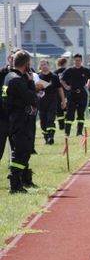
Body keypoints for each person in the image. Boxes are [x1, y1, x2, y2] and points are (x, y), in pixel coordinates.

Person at [2, 50, 44, 193]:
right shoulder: (18, 80)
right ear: (26, 64)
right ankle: (15, 185)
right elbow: (32, 98)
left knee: (19, 151)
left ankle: (17, 182)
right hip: (20, 120)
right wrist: (32, 83)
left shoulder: (8, 76)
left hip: (13, 118)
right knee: (22, 151)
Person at [61, 53, 90, 137]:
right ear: (74, 61)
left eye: (79, 60)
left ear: (81, 61)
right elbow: (61, 79)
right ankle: (67, 132)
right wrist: (66, 86)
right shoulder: (69, 70)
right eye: (76, 60)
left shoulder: (85, 70)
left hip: (82, 94)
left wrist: (87, 86)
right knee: (70, 113)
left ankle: (79, 132)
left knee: (81, 114)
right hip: (72, 94)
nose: (77, 62)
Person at [38, 59, 66, 145]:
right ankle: (46, 137)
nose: (44, 66)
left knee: (51, 119)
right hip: (41, 101)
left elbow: (60, 89)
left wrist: (63, 100)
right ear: (40, 67)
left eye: (45, 64)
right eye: (42, 65)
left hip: (52, 100)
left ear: (48, 65)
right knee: (43, 122)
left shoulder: (54, 76)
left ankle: (51, 137)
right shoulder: (38, 77)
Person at [0, 49, 18, 162]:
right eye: (13, 59)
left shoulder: (25, 73)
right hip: (2, 117)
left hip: (18, 118)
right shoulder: (2, 73)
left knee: (18, 150)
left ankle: (19, 177)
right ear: (9, 59)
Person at [54, 57, 69, 131]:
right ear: (65, 63)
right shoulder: (68, 71)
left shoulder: (55, 72)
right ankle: (67, 124)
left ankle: (61, 125)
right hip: (66, 92)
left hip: (57, 93)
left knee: (59, 109)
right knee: (67, 108)